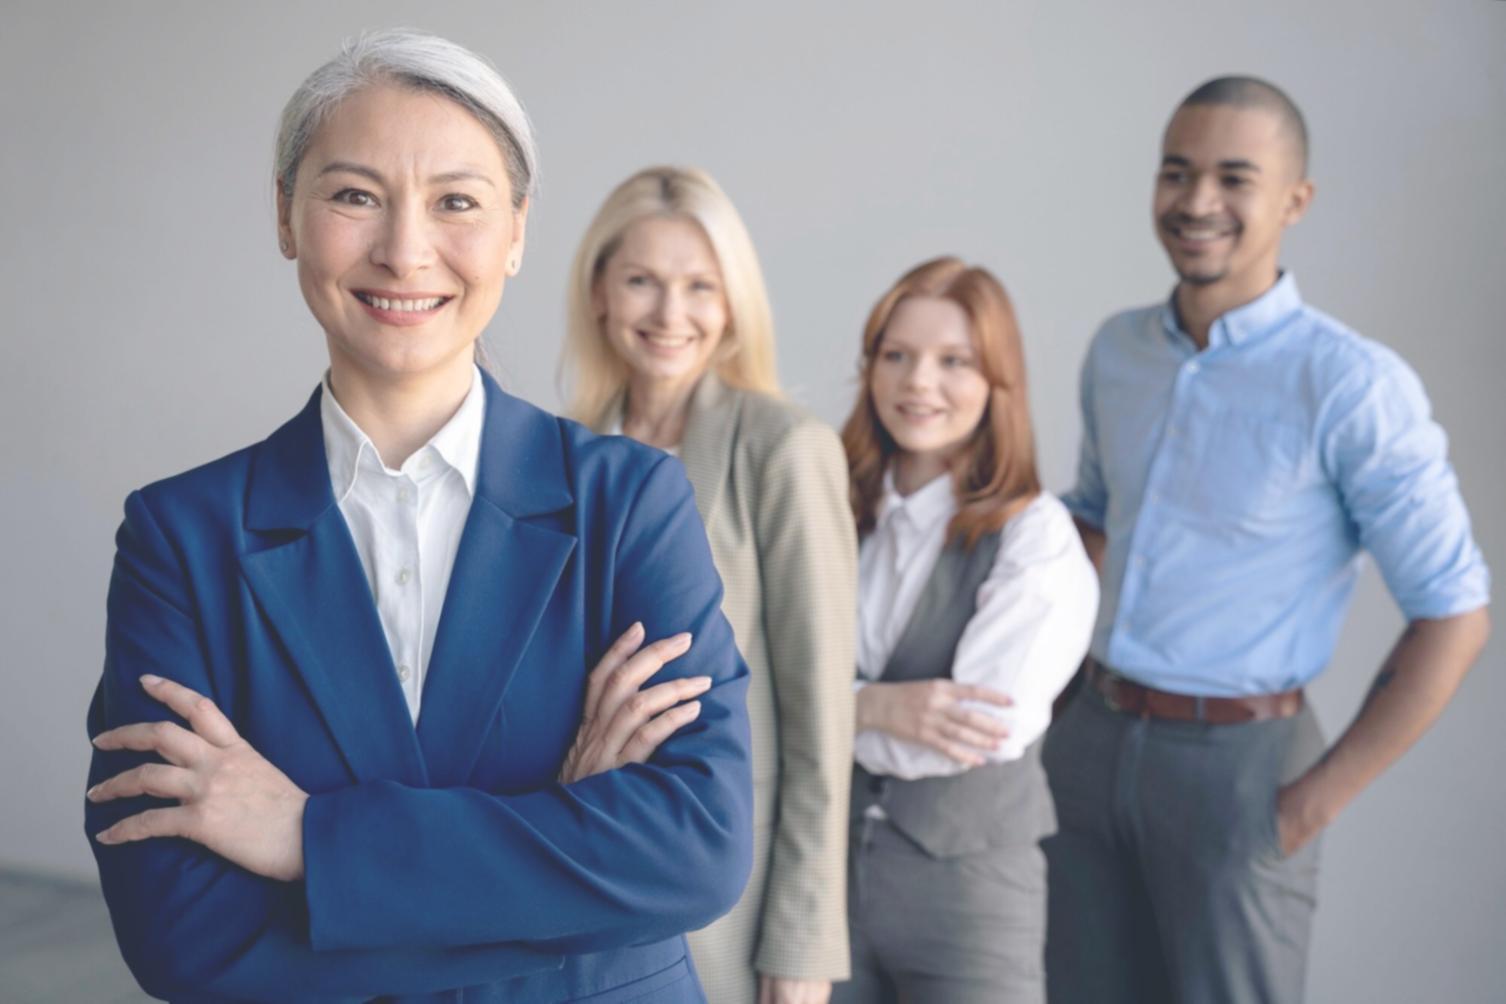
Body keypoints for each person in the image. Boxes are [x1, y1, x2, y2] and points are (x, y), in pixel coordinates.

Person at [82, 30, 753, 1003]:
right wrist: (569, 848)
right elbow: (181, 935)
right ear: (286, 216)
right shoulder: (180, 537)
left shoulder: (630, 502)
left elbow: (698, 849)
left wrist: (306, 839)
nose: (404, 249)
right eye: (355, 194)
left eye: (457, 203)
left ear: (517, 231)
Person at [1044, 76, 1492, 1003]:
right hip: (1086, 742)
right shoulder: (1116, 351)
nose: (1196, 201)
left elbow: (1454, 613)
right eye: (1177, 172)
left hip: (1239, 772)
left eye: (1233, 177)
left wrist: (1307, 807)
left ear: (1295, 200)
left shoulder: (1353, 385)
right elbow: (1090, 521)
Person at [561, 165, 857, 1004]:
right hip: (578, 873)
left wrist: (803, 940)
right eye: (642, 282)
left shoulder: (784, 448)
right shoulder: (562, 454)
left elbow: (821, 723)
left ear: (732, 303)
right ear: (598, 294)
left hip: (731, 896)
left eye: (699, 286)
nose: (669, 313)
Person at [829, 257, 1098, 1004]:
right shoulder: (829, 507)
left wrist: (817, 711)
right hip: (824, 885)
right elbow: (755, 687)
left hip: (969, 897)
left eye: (955, 362)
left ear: (997, 382)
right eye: (897, 356)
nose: (919, 382)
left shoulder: (1034, 537)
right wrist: (874, 707)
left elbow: (977, 731)